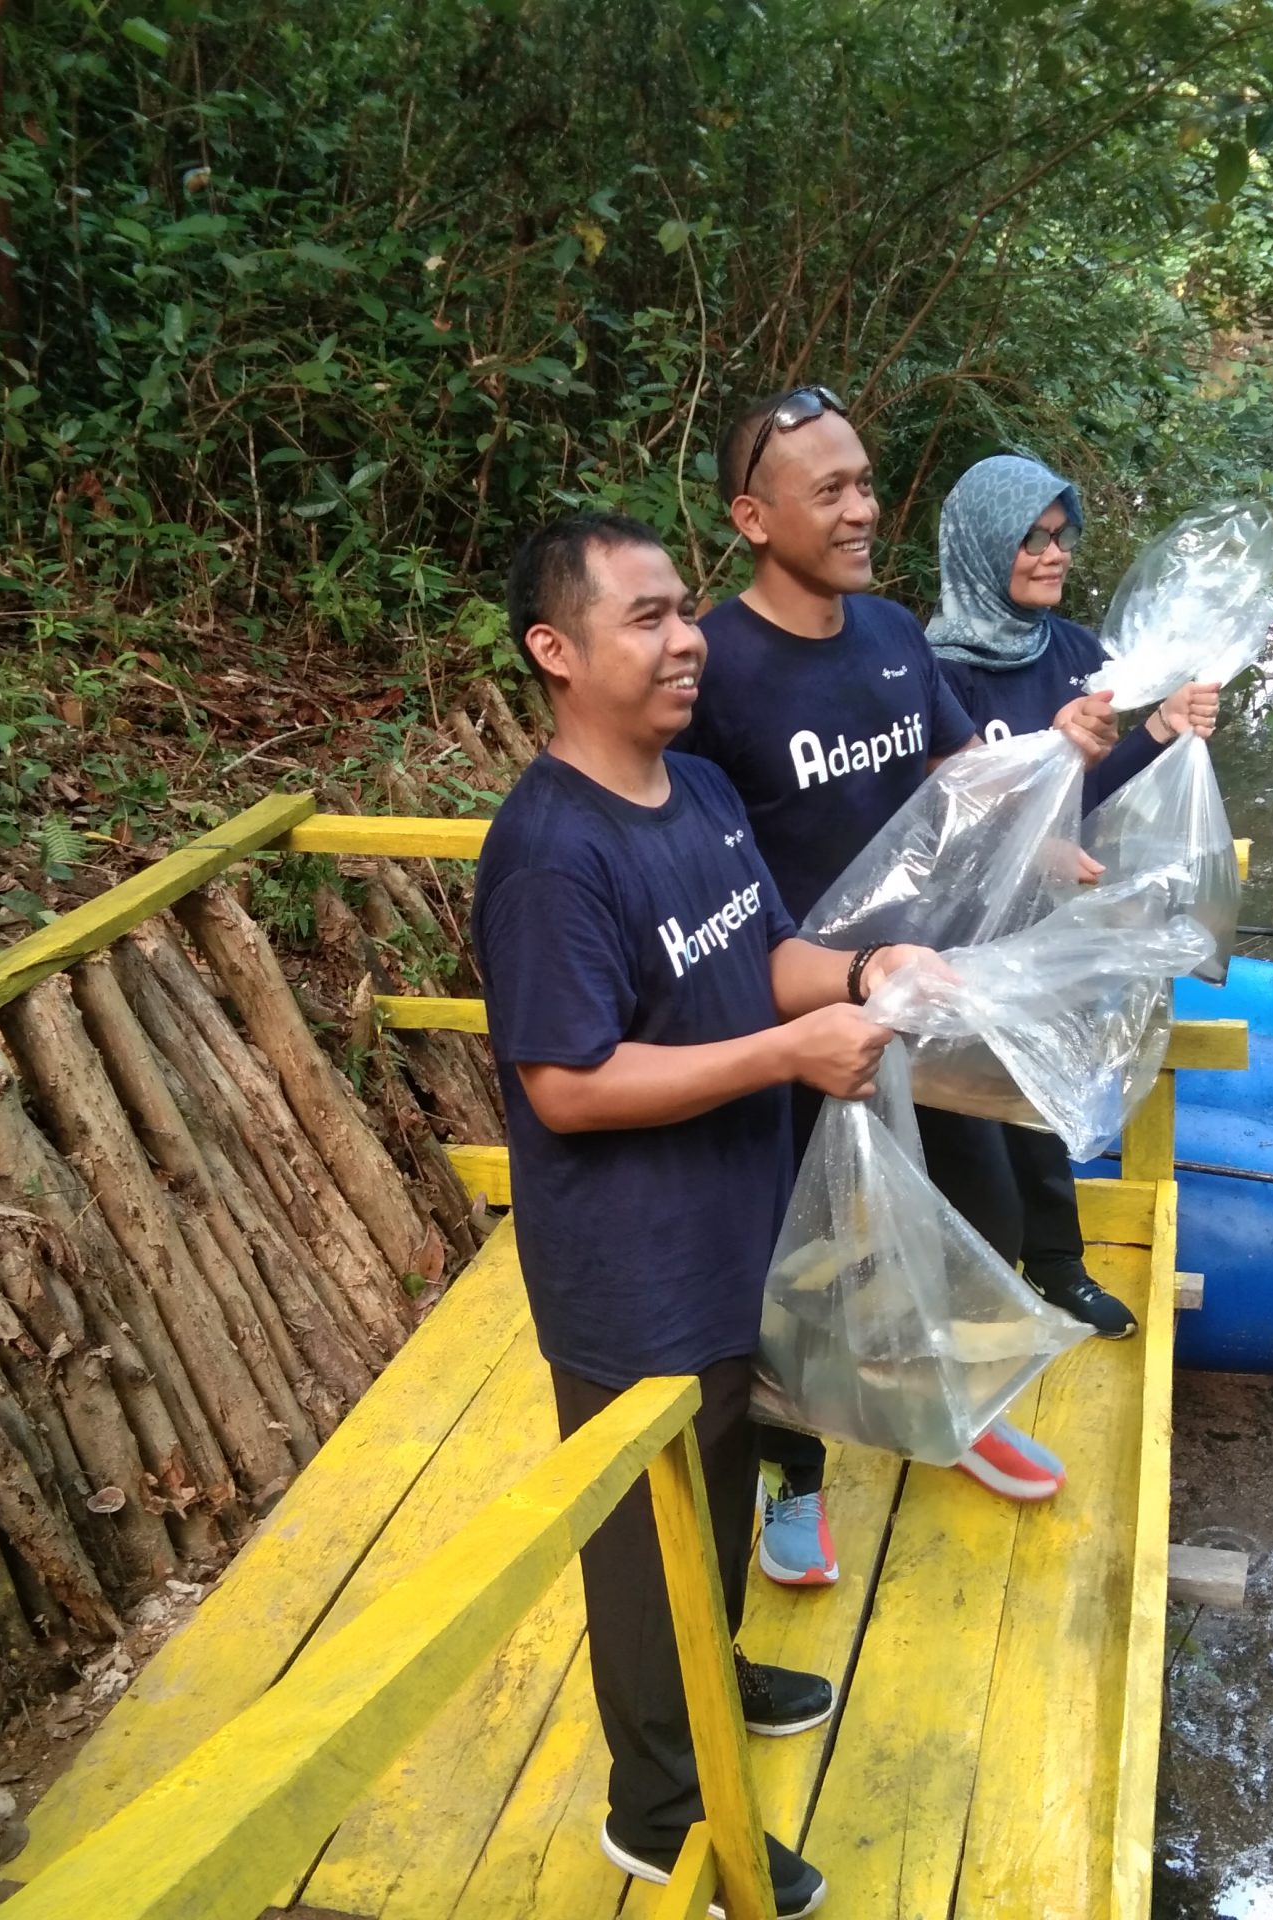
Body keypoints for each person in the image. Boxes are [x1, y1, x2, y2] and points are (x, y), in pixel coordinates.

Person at [473, 510, 939, 1916]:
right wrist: (786, 1056)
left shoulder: (700, 792)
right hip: (632, 1266)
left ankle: (710, 1674)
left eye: (684, 611)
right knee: (644, 1529)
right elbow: (567, 1085)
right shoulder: (551, 854)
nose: (687, 641)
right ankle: (662, 1808)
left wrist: (859, 976)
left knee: (726, 1476)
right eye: (647, 619)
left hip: (735, 1225)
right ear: (556, 652)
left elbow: (766, 952)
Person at [674, 388, 1089, 1590]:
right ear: (753, 518)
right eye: (831, 492)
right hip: (787, 1018)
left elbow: (961, 779)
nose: (862, 509)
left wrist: (1058, 772)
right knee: (798, 1266)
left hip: (916, 1002)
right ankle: (793, 1477)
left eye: (864, 483)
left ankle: (949, 1406)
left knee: (983, 1223)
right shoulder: (713, 670)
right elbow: (687, 849)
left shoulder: (895, 635)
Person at [926, 452, 1221, 1341]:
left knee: (1043, 1104)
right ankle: (967, 1290)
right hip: (959, 932)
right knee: (965, 1123)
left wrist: (1163, 727)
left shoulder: (1078, 654)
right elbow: (932, 813)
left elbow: (1089, 797)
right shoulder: (933, 668)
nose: (1054, 555)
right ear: (983, 545)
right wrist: (1037, 816)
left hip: (1048, 927)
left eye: (1062, 536)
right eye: (1032, 539)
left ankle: (1059, 1267)